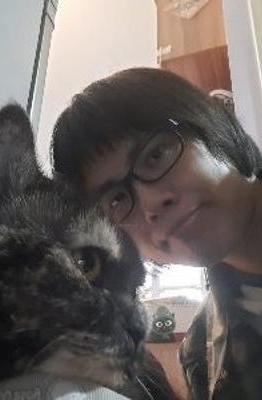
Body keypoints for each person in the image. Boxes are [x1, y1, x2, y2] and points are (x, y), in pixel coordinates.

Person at [51, 67, 262, 400]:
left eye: (156, 155)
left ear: (212, 126)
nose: (150, 204)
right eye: (117, 199)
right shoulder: (202, 359)